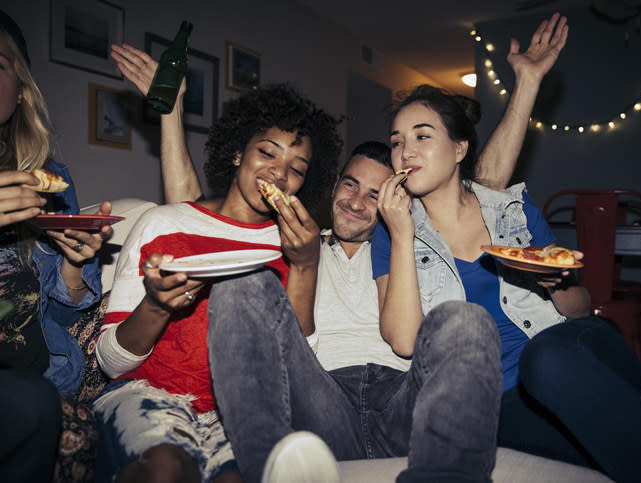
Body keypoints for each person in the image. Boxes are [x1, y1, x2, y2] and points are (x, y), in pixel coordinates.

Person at [108, 13, 570, 483]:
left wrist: (526, 86)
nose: (356, 201)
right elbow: (194, 217)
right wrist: (171, 116)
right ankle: (267, 467)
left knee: (466, 321)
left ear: (397, 196)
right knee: (240, 288)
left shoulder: (411, 244)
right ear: (328, 187)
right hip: (322, 400)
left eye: (375, 193)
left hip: (402, 402)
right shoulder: (295, 241)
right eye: (349, 185)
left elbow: (482, 186)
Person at [370, 83, 641, 482]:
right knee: (632, 453)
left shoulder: (513, 211)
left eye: (422, 136)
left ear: (459, 149)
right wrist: (401, 234)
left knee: (546, 359)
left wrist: (555, 284)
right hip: (502, 402)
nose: (406, 151)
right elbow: (403, 341)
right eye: (397, 142)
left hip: (577, 352)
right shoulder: (391, 232)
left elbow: (582, 305)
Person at [93, 83, 343, 482]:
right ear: (237, 151)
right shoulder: (164, 223)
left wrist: (306, 266)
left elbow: (297, 372)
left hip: (245, 412)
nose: (279, 173)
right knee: (167, 469)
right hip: (147, 395)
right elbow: (109, 362)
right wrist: (156, 306)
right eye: (267, 152)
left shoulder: (301, 245)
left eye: (296, 168)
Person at [0, 10, 113, 482]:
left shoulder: (49, 180)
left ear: (20, 88)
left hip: (33, 371)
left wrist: (72, 263)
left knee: (37, 403)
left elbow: (59, 320)